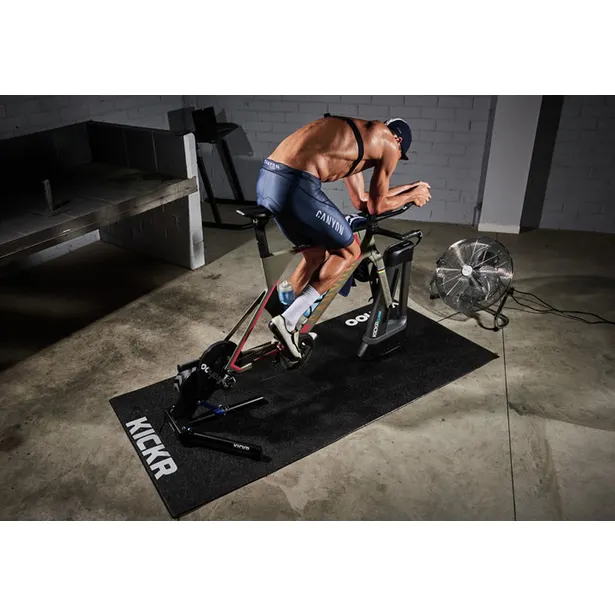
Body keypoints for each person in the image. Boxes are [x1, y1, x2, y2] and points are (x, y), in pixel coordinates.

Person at [255, 114, 432, 359]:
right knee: (350, 252)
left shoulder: (358, 139)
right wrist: (412, 196)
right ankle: (288, 320)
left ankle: (285, 315)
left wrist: (409, 188)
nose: (394, 161)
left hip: (268, 180)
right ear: (398, 141)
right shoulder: (390, 144)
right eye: (399, 157)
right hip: (296, 185)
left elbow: (361, 200)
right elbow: (376, 208)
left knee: (316, 254)